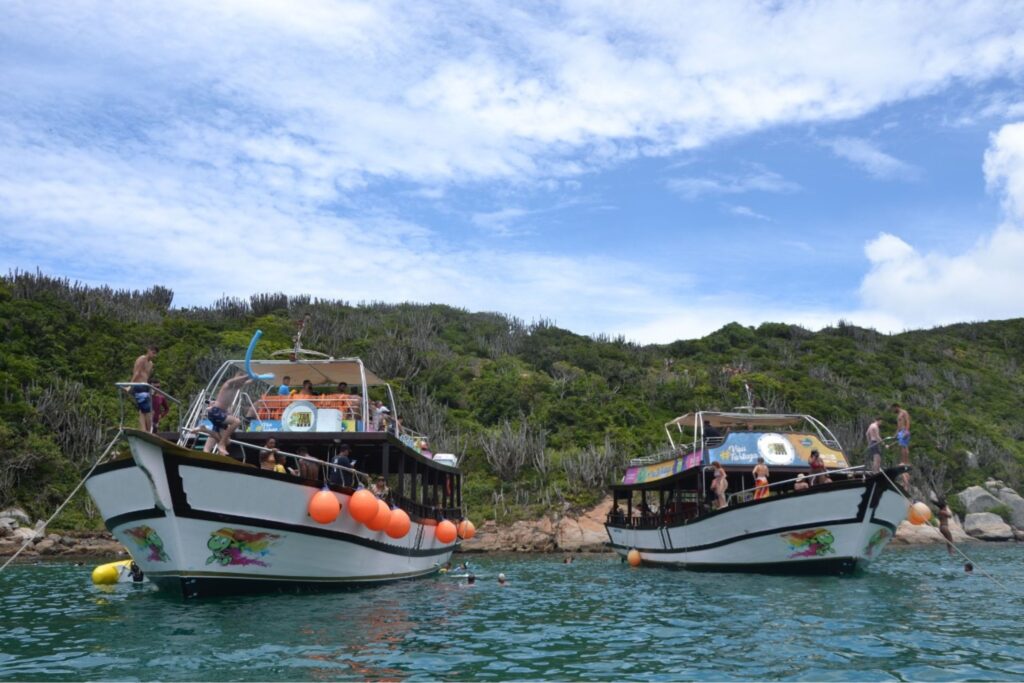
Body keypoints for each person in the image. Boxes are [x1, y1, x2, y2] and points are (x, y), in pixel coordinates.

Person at [203, 374, 251, 456]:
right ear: (237, 379)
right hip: (216, 412)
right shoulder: (228, 384)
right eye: (241, 381)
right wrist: (247, 375)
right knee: (236, 422)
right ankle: (221, 444)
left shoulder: (236, 387)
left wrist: (256, 377)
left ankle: (205, 434)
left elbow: (248, 382)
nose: (242, 383)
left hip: (220, 414)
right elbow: (237, 380)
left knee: (226, 442)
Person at [129, 345, 158, 431]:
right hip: (138, 385)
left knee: (143, 410)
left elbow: (147, 377)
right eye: (153, 353)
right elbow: (136, 372)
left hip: (145, 387)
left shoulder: (151, 364)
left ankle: (145, 429)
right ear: (148, 351)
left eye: (155, 354)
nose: (154, 355)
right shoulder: (142, 359)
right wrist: (130, 385)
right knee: (146, 410)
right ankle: (146, 430)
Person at [892, 403, 911, 485]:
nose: (893, 410)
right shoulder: (898, 415)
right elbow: (898, 426)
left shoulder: (904, 412)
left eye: (893, 409)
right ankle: (903, 461)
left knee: (904, 447)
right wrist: (895, 435)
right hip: (900, 432)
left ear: (897, 407)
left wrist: (906, 431)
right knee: (902, 447)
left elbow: (907, 421)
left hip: (904, 431)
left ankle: (905, 462)